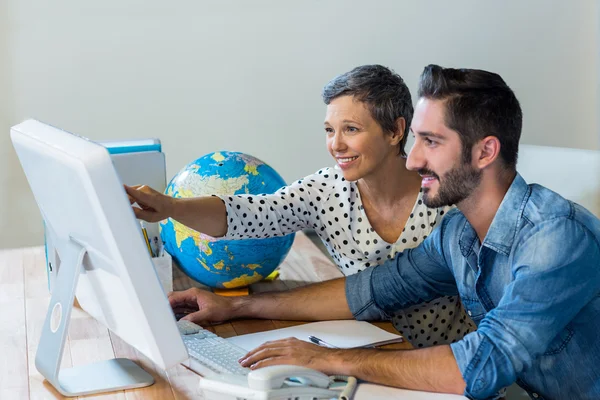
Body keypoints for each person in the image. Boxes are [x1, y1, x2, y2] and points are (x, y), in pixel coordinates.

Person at [160, 65, 600, 399]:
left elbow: (478, 366)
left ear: (485, 151)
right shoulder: (458, 235)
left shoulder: (554, 238)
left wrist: (328, 359)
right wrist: (237, 309)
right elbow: (374, 289)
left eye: (431, 142)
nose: (412, 160)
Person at [126, 65, 474, 348]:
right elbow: (249, 213)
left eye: (351, 129)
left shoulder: (446, 199)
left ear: (396, 131)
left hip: (445, 367)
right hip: (372, 347)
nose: (336, 144)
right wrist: (170, 207)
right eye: (328, 130)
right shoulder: (326, 189)